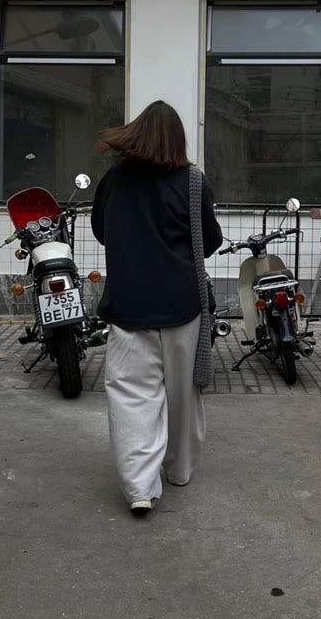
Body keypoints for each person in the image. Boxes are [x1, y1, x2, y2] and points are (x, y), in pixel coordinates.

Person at [91, 100, 223, 515]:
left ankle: (139, 489)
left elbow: (100, 231)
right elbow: (212, 240)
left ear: (136, 133)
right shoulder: (193, 182)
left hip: (129, 305)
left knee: (131, 396)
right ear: (178, 139)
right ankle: (179, 470)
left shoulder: (113, 181)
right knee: (183, 395)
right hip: (182, 305)